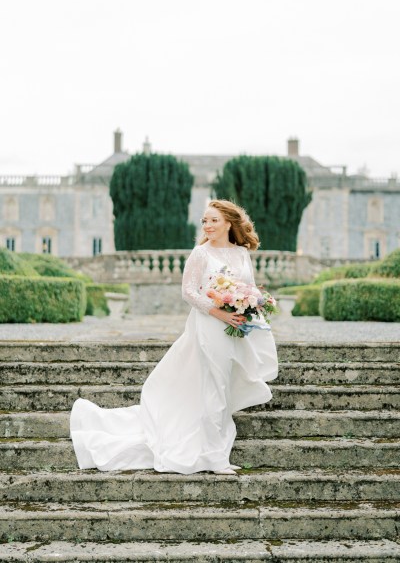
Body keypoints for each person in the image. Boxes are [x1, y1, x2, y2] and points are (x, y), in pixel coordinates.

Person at [70, 199, 278, 475]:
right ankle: (216, 457)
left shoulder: (241, 254)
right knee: (215, 383)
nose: (208, 225)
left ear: (229, 222)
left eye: (214, 220)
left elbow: (249, 287)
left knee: (223, 385)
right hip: (208, 324)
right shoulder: (200, 254)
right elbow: (189, 292)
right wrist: (221, 313)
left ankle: (212, 445)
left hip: (235, 327)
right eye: (205, 220)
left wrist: (251, 304)